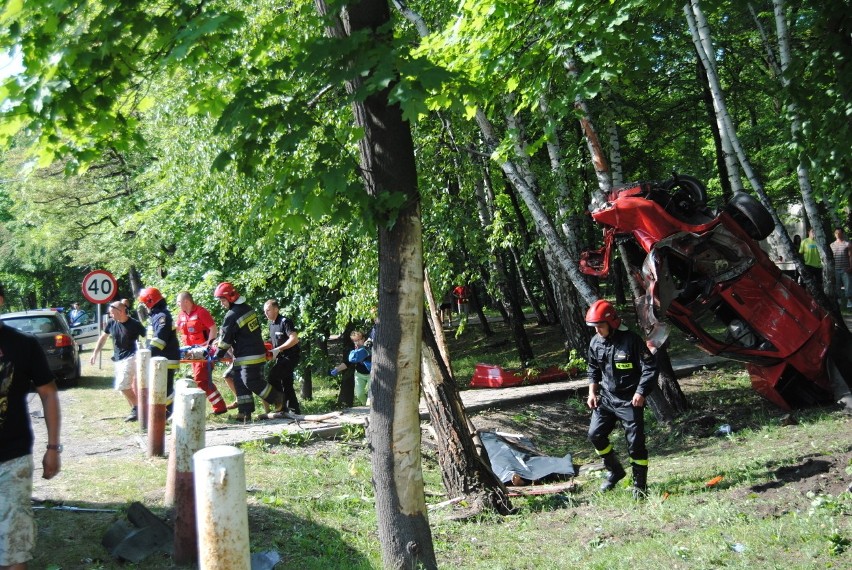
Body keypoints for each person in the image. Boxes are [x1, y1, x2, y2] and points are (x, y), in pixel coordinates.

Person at [0, 281, 62, 569]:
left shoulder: (23, 345)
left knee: (15, 544)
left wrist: (53, 447)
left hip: (12, 459)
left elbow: (48, 394)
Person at [585, 299, 658, 499]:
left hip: (630, 400)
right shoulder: (595, 342)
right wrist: (592, 392)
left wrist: (640, 392)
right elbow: (593, 369)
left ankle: (640, 486)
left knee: (635, 444)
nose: (597, 330)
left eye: (600, 326)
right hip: (607, 399)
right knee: (595, 435)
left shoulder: (631, 340)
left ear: (612, 322)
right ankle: (615, 470)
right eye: (594, 327)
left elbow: (650, 367)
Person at [212, 282, 285, 422]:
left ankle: (277, 397)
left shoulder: (231, 315)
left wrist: (217, 355)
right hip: (248, 352)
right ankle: (244, 413)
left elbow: (226, 340)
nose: (222, 304)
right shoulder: (247, 309)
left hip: (249, 355)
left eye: (223, 300)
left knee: (251, 381)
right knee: (239, 381)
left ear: (231, 298)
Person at [90, 301, 147, 421]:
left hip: (132, 357)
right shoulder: (111, 323)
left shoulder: (135, 324)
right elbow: (103, 338)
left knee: (122, 385)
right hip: (118, 359)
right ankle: (137, 412)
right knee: (123, 389)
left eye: (111, 313)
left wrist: (145, 354)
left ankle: (138, 409)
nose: (110, 315)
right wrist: (95, 353)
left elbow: (148, 336)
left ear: (120, 311)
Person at [176, 291, 227, 415]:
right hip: (190, 354)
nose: (177, 304)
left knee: (200, 380)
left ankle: (198, 409)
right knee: (203, 381)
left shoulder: (201, 312)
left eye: (178, 302)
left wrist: (209, 346)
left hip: (203, 353)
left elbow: (213, 329)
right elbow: (176, 329)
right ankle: (219, 407)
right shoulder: (181, 315)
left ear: (186, 301)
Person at [138, 287, 181, 411]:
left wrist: (147, 354)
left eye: (145, 303)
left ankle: (173, 412)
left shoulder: (162, 316)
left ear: (150, 302)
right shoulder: (157, 316)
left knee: (165, 389)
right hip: (161, 359)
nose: (144, 307)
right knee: (161, 388)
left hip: (166, 359)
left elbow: (160, 340)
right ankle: (168, 412)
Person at [263, 299, 301, 415]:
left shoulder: (285, 321)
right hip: (281, 358)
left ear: (276, 309)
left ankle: (280, 404)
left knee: (273, 377)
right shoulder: (272, 325)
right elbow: (273, 342)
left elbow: (294, 339)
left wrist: (278, 349)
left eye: (268, 310)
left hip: (290, 356)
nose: (266, 313)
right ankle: (294, 410)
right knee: (286, 383)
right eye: (265, 311)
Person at [330, 329, 372, 405]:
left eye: (358, 340)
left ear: (363, 339)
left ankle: (369, 407)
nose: (356, 342)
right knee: (359, 394)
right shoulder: (354, 351)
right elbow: (347, 363)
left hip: (371, 374)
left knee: (371, 396)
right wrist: (337, 369)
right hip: (359, 374)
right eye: (354, 341)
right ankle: (367, 406)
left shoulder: (370, 347)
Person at [829, 228, 852, 309]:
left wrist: (850, 267)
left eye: (839, 233)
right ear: (834, 234)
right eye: (836, 233)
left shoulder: (848, 244)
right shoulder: (831, 245)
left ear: (843, 233)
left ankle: (849, 300)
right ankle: (838, 300)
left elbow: (850, 256)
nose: (837, 234)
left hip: (846, 268)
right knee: (837, 285)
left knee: (848, 285)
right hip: (836, 269)